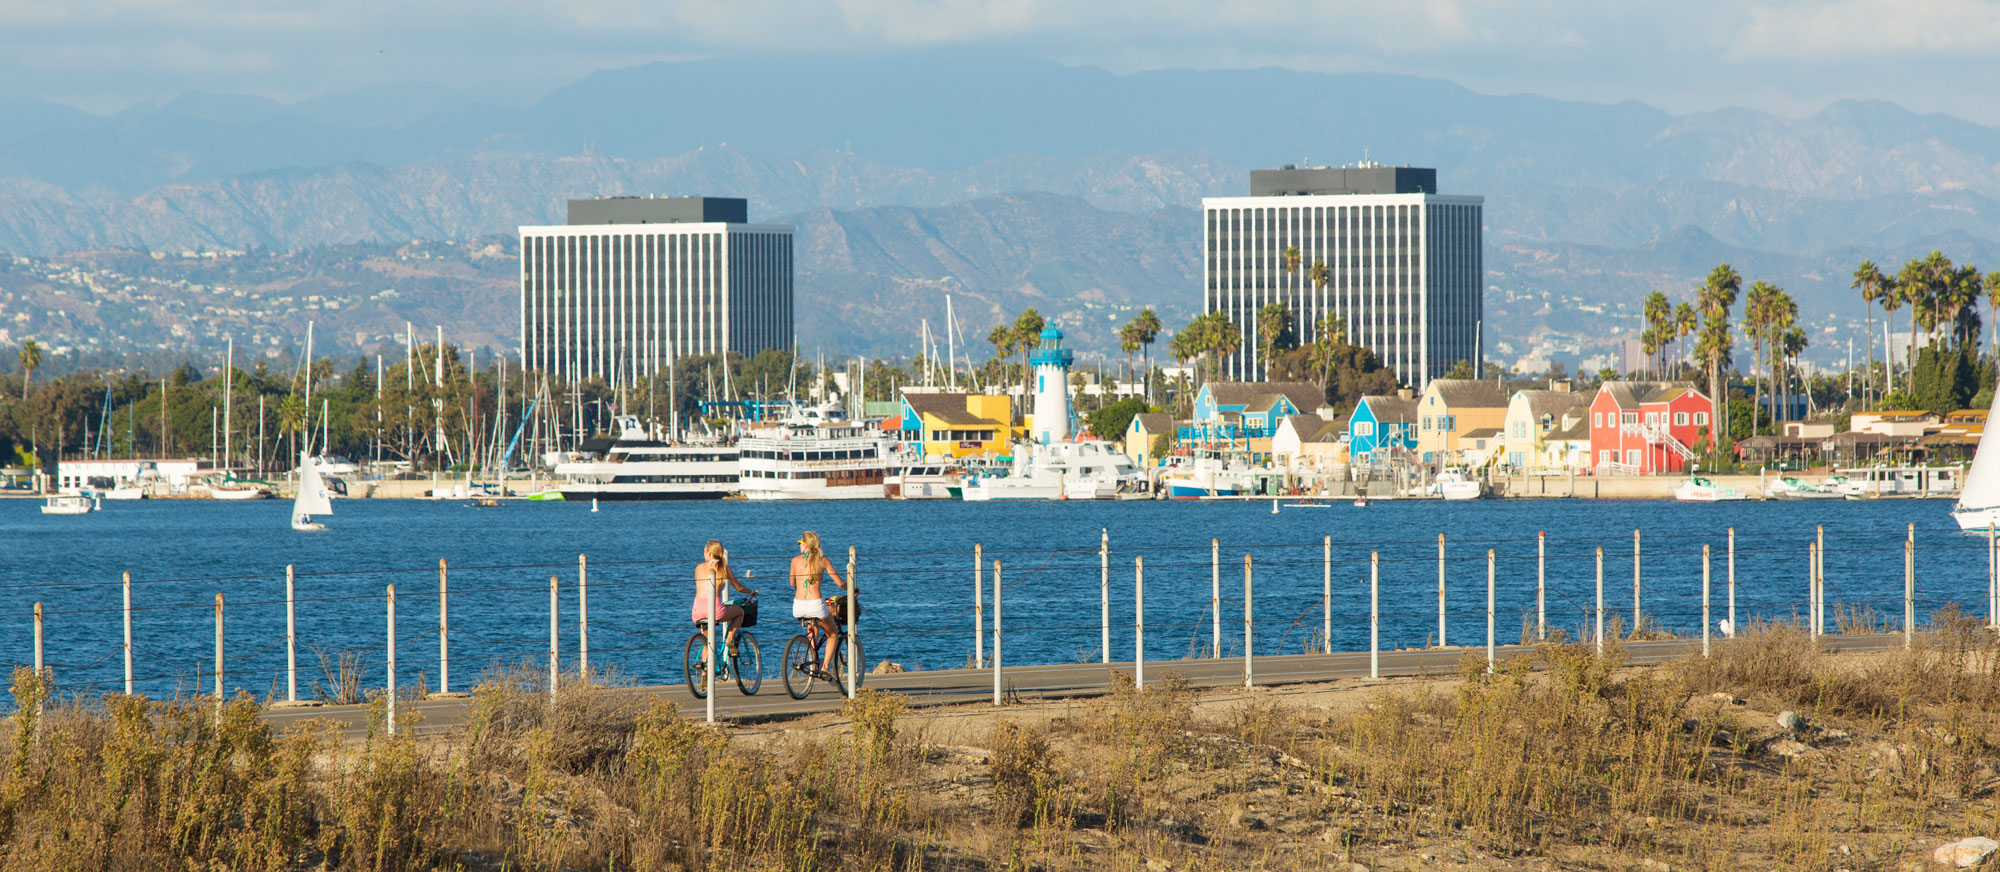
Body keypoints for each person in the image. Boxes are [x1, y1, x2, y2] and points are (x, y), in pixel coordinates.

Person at [790, 531, 849, 679]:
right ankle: (825, 667)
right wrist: (852, 588)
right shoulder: (823, 560)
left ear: (806, 545)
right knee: (833, 633)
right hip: (815, 604)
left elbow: (792, 584)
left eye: (800, 543)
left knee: (812, 626)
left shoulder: (795, 561)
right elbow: (840, 583)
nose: (799, 546)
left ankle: (812, 661)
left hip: (798, 606)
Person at [693, 540, 754, 663]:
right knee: (740, 612)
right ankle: (730, 639)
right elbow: (738, 587)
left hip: (697, 611)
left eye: (705, 551)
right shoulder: (723, 568)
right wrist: (751, 592)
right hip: (714, 610)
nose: (703, 553)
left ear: (710, 554)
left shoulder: (698, 568)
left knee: (708, 642)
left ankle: (705, 673)